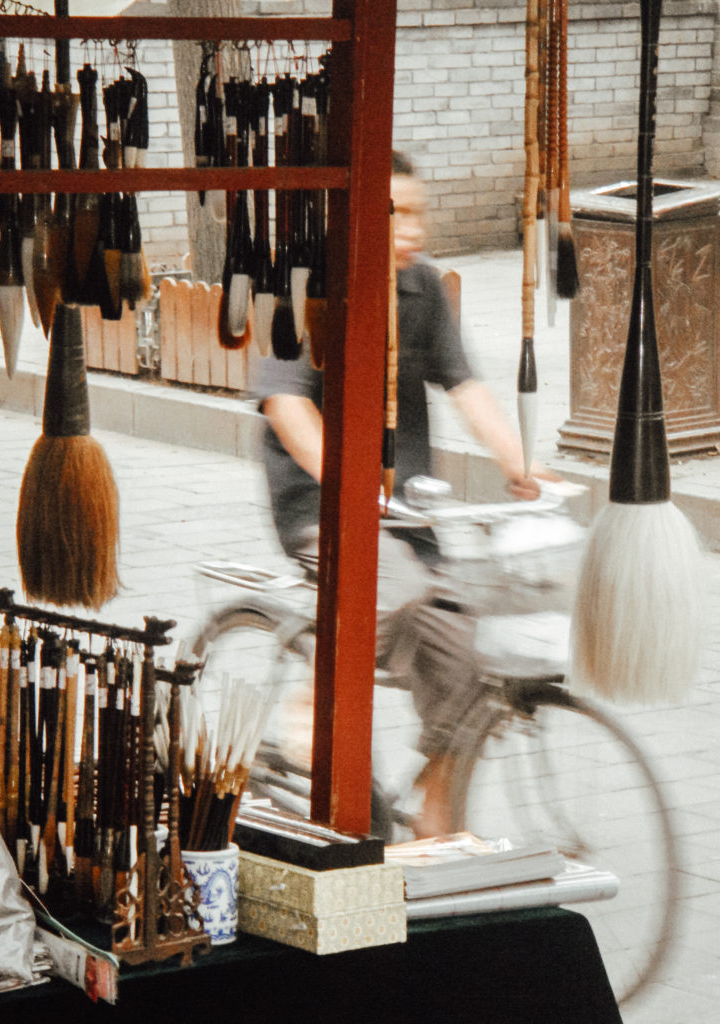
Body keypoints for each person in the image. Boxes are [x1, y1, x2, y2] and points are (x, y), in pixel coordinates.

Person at [255, 151, 558, 835]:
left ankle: (434, 819)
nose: (409, 228)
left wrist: (522, 465)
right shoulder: (309, 288)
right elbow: (286, 409)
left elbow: (466, 386)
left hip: (406, 513)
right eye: (393, 214)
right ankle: (311, 705)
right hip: (321, 508)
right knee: (389, 589)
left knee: (469, 654)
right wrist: (350, 483)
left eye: (417, 212)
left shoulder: (423, 290)